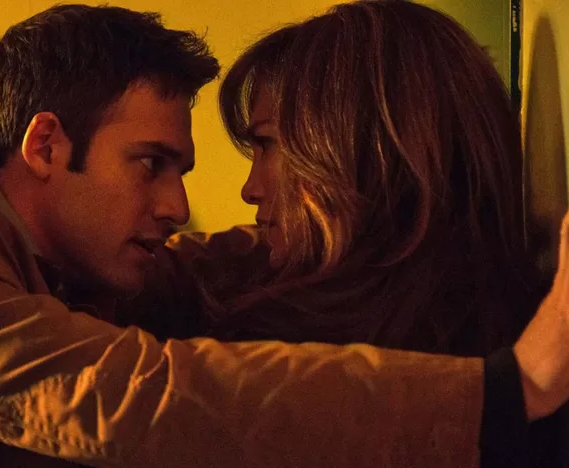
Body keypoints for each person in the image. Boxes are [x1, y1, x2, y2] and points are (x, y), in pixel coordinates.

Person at [0, 3, 568, 468]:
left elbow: (201, 271)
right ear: (45, 146)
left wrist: (362, 219)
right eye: (149, 164)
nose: (180, 206)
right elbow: (122, 398)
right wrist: (507, 391)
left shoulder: (61, 259)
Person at [123, 0, 565, 465]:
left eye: (268, 145)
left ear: (365, 154)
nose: (250, 190)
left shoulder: (324, 366)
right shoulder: (264, 283)